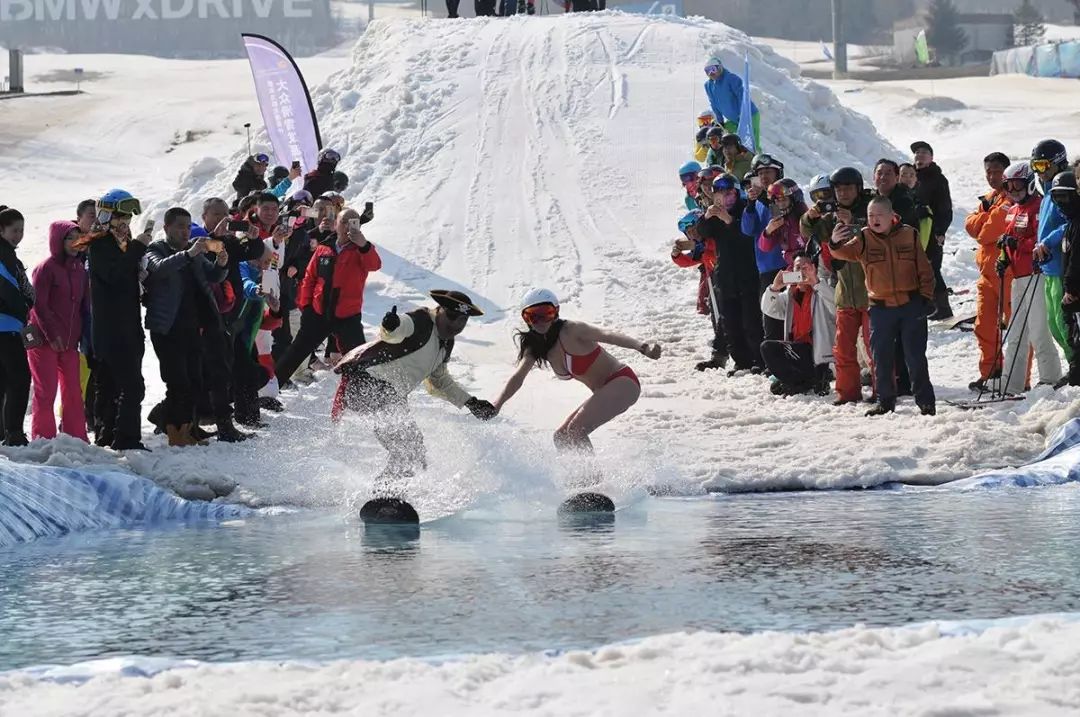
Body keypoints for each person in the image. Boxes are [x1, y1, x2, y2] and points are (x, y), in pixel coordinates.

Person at [333, 290, 495, 483]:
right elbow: (399, 328)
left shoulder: (445, 344)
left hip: (389, 395)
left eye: (462, 320)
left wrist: (471, 403)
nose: (455, 324)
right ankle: (383, 494)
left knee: (415, 450)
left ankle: (389, 493)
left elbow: (439, 381)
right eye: (452, 316)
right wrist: (391, 324)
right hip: (368, 385)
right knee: (407, 448)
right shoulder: (421, 320)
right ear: (440, 310)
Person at [492, 289, 661, 452]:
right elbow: (518, 376)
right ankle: (578, 480)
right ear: (526, 319)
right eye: (532, 316)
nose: (541, 321)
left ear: (556, 312)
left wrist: (642, 347)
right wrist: (496, 405)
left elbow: (608, 334)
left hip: (623, 382)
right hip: (602, 391)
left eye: (546, 313)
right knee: (561, 437)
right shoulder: (535, 346)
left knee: (576, 430)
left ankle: (594, 480)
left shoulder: (571, 330)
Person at [830, 196, 936, 416]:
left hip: (910, 305)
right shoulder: (864, 239)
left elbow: (925, 269)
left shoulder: (910, 234)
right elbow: (842, 253)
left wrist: (925, 298)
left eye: (879, 215)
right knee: (881, 358)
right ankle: (885, 401)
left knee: (915, 357)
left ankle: (925, 402)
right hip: (880, 308)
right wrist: (834, 243)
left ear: (891, 215)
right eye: (870, 216)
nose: (874, 220)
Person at [144, 207, 230, 446]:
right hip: (167, 326)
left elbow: (212, 276)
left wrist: (222, 264)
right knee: (177, 381)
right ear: (167, 228)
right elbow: (159, 269)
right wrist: (189, 254)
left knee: (195, 381)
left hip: (193, 325)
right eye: (179, 226)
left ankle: (189, 429)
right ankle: (175, 431)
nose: (184, 231)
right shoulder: (156, 249)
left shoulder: (192, 250)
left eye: (187, 225)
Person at [273, 207, 382, 388]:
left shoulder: (362, 249)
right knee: (296, 352)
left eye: (353, 222)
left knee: (356, 358)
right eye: (344, 221)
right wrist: (305, 306)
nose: (348, 226)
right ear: (336, 224)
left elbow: (375, 265)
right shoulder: (324, 247)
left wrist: (364, 245)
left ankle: (361, 396)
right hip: (318, 312)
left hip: (347, 315)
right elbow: (309, 277)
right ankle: (269, 391)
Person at [83, 190, 151, 450]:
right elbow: (113, 274)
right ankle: (126, 438)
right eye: (120, 215)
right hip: (112, 330)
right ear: (107, 215)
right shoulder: (99, 243)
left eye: (129, 217)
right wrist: (137, 248)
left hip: (127, 326)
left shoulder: (122, 244)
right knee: (132, 387)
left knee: (110, 385)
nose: (126, 221)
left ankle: (107, 435)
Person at [800, 166, 872, 405]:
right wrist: (813, 214)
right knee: (843, 348)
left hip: (871, 289)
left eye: (848, 188)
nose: (843, 193)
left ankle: (883, 392)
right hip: (844, 289)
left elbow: (881, 232)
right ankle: (847, 393)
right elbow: (808, 231)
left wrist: (854, 222)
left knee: (874, 349)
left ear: (858, 188)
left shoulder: (871, 209)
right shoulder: (831, 216)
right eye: (838, 189)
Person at [998, 162, 1062, 395]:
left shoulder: (1039, 206)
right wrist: (1004, 254)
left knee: (1038, 331)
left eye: (1018, 185)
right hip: (1018, 277)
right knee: (1015, 332)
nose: (1014, 190)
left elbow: (1040, 239)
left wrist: (1021, 245)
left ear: (1030, 183)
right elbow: (1009, 238)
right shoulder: (1012, 211)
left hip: (1037, 276)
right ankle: (1010, 382)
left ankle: (1050, 378)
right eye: (1008, 186)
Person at [27, 220, 88, 442]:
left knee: (73, 391)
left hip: (70, 342)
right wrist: (52, 335)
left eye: (78, 238)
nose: (75, 243)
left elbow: (83, 307)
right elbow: (39, 305)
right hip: (44, 341)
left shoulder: (80, 269)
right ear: (57, 241)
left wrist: (82, 335)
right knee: (46, 391)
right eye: (70, 238)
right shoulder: (45, 268)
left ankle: (76, 437)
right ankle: (43, 438)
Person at [698, 173, 764, 372]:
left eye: (728, 193)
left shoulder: (745, 209)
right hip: (725, 274)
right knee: (730, 322)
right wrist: (707, 216)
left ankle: (759, 361)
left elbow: (746, 235)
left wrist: (728, 220)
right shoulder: (715, 214)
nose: (724, 198)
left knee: (751, 321)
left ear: (736, 193)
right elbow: (702, 233)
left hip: (748, 272)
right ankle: (741, 361)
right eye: (719, 193)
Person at [964, 151, 1013, 391]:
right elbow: (969, 225)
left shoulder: (1010, 199)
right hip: (986, 274)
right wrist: (985, 214)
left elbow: (986, 233)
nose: (992, 176)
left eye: (997, 171)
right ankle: (992, 373)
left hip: (1007, 272)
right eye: (989, 172)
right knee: (984, 326)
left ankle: (1017, 378)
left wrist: (983, 216)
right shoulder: (990, 199)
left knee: (1014, 329)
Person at [759, 253, 835, 396]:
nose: (801, 272)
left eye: (805, 268)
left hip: (817, 352)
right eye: (797, 268)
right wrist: (775, 288)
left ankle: (809, 380)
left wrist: (816, 282)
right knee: (767, 347)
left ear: (813, 269)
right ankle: (798, 382)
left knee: (771, 348)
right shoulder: (791, 293)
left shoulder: (822, 289)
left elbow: (835, 307)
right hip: (798, 349)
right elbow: (769, 309)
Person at [1030, 139, 1073, 367]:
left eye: (1043, 165)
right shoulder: (1047, 192)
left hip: (1061, 265)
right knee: (1053, 324)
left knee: (1063, 322)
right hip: (1048, 266)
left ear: (1057, 163)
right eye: (1035, 166)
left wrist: (1048, 241)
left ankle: (1076, 367)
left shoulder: (1064, 190)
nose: (1040, 171)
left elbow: (1072, 223)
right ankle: (1072, 366)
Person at [671, 209, 728, 371]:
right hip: (716, 284)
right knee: (718, 319)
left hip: (730, 282)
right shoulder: (700, 246)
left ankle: (724, 355)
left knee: (727, 319)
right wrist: (676, 255)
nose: (693, 234)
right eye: (689, 232)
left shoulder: (714, 239)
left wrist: (699, 245)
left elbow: (713, 248)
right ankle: (720, 354)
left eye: (695, 229)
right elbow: (688, 260)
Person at [741, 153, 786, 339]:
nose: (765, 176)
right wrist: (750, 205)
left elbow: (779, 219)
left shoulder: (784, 195)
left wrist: (763, 200)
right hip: (765, 266)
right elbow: (747, 229)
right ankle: (774, 358)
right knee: (769, 314)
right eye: (760, 173)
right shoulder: (757, 201)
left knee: (787, 314)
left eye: (769, 171)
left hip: (784, 263)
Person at [0, 208, 33, 445]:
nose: (18, 235)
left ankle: (5, 432)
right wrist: (25, 308)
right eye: (14, 230)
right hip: (7, 327)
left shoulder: (10, 254)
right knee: (20, 379)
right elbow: (14, 291)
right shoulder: (6, 256)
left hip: (8, 326)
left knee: (3, 380)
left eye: (21, 230)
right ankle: (14, 433)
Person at [910, 141, 953, 320]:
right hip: (913, 230)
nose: (919, 155)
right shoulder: (909, 175)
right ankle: (925, 305)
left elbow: (945, 208)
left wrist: (940, 231)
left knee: (932, 267)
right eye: (917, 152)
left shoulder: (938, 179)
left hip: (932, 230)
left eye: (924, 152)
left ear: (931, 157)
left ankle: (942, 308)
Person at [1053, 171, 1080, 385]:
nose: (1061, 202)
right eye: (1056, 197)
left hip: (1076, 292)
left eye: (1065, 197)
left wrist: (1071, 288)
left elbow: (1077, 257)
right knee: (1071, 333)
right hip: (1071, 289)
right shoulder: (1071, 222)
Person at [703, 56, 761, 151]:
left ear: (720, 68)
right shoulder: (708, 86)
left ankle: (758, 162)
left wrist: (742, 114)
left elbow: (741, 97)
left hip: (749, 116)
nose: (711, 73)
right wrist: (720, 121)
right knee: (723, 135)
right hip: (734, 120)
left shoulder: (731, 78)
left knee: (752, 143)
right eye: (707, 71)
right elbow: (713, 103)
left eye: (713, 69)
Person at [758, 179, 807, 270]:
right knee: (776, 284)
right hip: (793, 267)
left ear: (794, 199)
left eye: (783, 199)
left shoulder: (804, 217)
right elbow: (765, 247)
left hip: (809, 266)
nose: (780, 204)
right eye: (776, 201)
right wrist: (768, 231)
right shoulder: (779, 220)